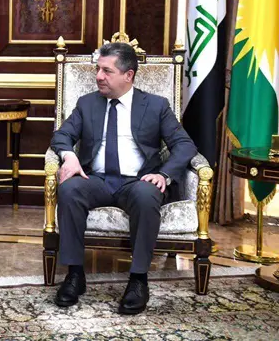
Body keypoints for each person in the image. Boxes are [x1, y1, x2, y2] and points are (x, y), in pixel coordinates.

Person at [50, 42, 197, 315]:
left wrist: (164, 174)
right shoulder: (87, 103)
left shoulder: (156, 105)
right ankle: (74, 274)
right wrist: (69, 156)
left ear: (128, 75)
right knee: (69, 189)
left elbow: (185, 145)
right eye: (98, 69)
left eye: (107, 71)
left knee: (146, 196)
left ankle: (138, 280)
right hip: (96, 179)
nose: (98, 76)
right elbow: (62, 135)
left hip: (138, 181)